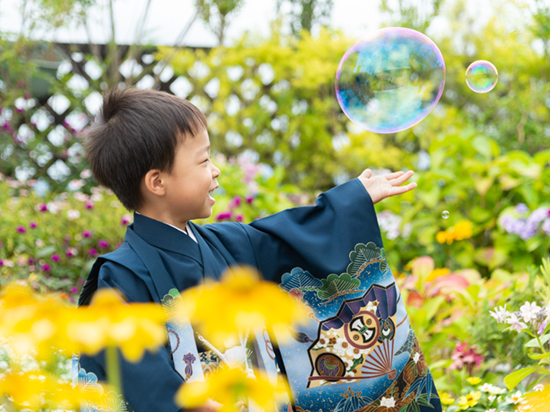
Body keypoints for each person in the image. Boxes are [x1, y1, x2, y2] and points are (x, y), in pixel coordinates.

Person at [77, 88, 442, 412]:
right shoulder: (123, 275)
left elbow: (291, 236)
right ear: (157, 182)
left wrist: (350, 202)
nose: (216, 171)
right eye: (204, 161)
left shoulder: (229, 244)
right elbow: (137, 370)